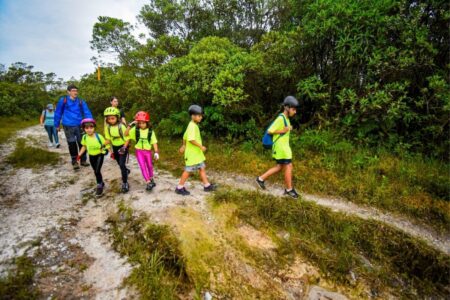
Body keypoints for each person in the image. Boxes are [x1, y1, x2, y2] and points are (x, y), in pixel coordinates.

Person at [256, 96, 300, 198]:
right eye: (293, 109)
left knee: (279, 167)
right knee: (288, 166)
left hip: (284, 147)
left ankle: (260, 179)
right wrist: (283, 131)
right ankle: (289, 189)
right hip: (281, 148)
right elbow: (270, 130)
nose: (295, 111)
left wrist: (288, 128)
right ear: (287, 108)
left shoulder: (286, 119)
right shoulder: (281, 118)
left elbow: (284, 129)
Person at [175, 104, 216, 196]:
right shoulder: (192, 126)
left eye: (201, 116)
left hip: (197, 154)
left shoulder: (193, 125)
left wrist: (183, 145)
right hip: (192, 154)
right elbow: (191, 139)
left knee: (202, 168)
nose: (201, 117)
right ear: (193, 116)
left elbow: (185, 136)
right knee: (188, 170)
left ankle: (207, 185)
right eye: (199, 116)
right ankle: (179, 187)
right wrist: (201, 146)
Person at [54, 84, 93, 170]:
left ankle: (83, 160)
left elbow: (87, 111)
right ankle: (74, 161)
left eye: (76, 91)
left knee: (82, 143)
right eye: (73, 91)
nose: (75, 92)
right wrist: (57, 125)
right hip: (68, 125)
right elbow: (58, 113)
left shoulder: (80, 101)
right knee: (72, 144)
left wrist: (90, 122)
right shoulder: (63, 100)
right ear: (68, 92)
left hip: (80, 125)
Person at [124, 111, 159, 191]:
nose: (141, 125)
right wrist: (130, 124)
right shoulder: (135, 129)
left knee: (149, 165)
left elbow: (154, 142)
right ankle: (148, 182)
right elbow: (125, 134)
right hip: (139, 151)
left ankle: (151, 178)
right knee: (143, 166)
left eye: (143, 123)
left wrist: (156, 152)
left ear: (147, 122)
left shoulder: (150, 131)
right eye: (139, 123)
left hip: (148, 152)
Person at [77, 118, 108, 196]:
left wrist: (111, 152)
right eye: (87, 128)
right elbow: (84, 146)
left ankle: (99, 186)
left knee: (97, 171)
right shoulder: (84, 137)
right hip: (91, 156)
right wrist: (79, 155)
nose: (89, 130)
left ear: (94, 128)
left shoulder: (99, 136)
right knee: (95, 171)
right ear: (84, 129)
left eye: (91, 127)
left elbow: (106, 144)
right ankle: (101, 182)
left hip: (99, 155)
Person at [104, 106, 130, 193]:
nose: (111, 120)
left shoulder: (121, 126)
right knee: (119, 163)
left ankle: (125, 183)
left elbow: (127, 139)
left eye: (113, 118)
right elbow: (108, 139)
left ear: (117, 117)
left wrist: (124, 148)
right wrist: (103, 146)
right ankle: (126, 170)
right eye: (109, 119)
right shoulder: (107, 127)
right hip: (114, 147)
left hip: (123, 146)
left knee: (122, 164)